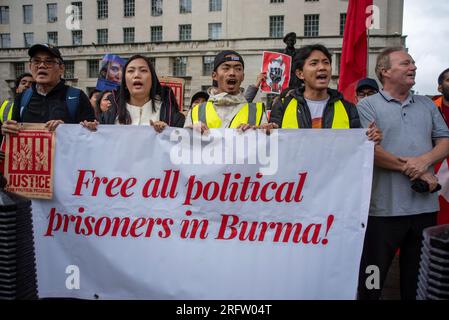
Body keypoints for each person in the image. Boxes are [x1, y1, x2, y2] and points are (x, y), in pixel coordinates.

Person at [357, 47, 449, 300]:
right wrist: (417, 170)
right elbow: (370, 150)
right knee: (373, 277)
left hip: (424, 211)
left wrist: (424, 161)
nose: (414, 67)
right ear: (385, 71)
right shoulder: (367, 106)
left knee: (417, 279)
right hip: (382, 211)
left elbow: (445, 141)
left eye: (414, 63)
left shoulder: (427, 105)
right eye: (406, 63)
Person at [269, 44, 381, 143]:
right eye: (314, 63)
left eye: (326, 63)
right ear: (300, 73)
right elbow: (272, 145)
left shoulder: (348, 108)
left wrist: (370, 138)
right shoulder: (283, 106)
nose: (322, 67)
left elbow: (356, 147)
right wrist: (263, 133)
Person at [1, 43, 95, 136]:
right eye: (36, 61)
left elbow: (90, 135)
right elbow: (14, 134)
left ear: (61, 68)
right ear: (30, 67)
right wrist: (7, 130)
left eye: (49, 61)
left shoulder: (77, 96)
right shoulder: (22, 98)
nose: (41, 66)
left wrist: (66, 129)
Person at [184, 50, 274, 134]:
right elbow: (183, 147)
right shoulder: (195, 112)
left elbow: (265, 147)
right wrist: (189, 133)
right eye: (226, 68)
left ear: (243, 76)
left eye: (238, 69)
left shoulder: (257, 111)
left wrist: (263, 132)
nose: (232, 73)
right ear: (214, 75)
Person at [101, 54, 185, 131]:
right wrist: (90, 130)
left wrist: (168, 133)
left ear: (152, 79)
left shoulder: (172, 116)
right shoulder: (109, 115)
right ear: (124, 82)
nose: (137, 75)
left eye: (143, 70)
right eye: (131, 71)